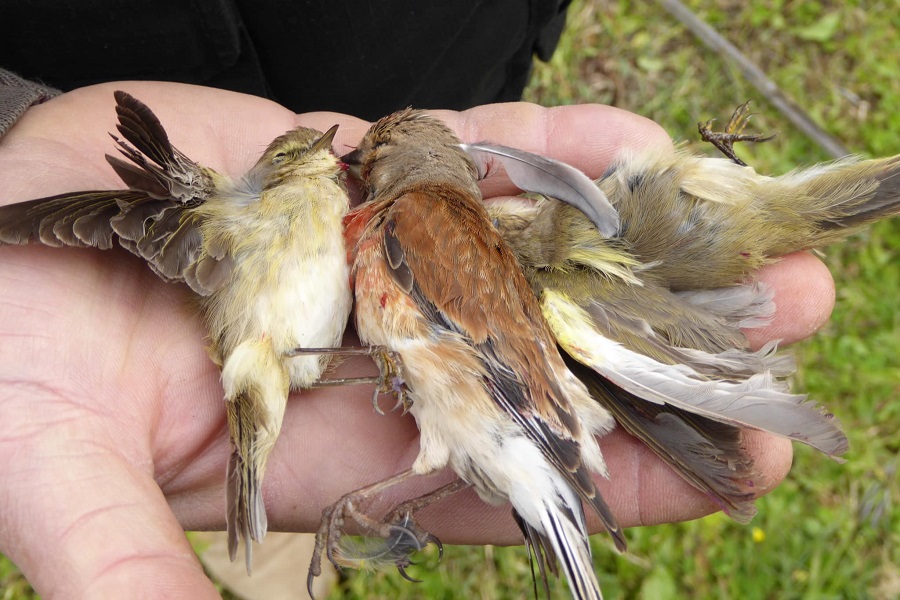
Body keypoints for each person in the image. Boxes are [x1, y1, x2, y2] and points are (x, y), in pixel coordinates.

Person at [0, 6, 836, 598]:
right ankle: (291, 553)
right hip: (118, 58)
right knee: (332, 467)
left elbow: (460, 326)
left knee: (370, 463)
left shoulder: (420, 215)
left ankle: (310, 540)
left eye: (375, 154)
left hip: (463, 50)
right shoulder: (421, 217)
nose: (356, 162)